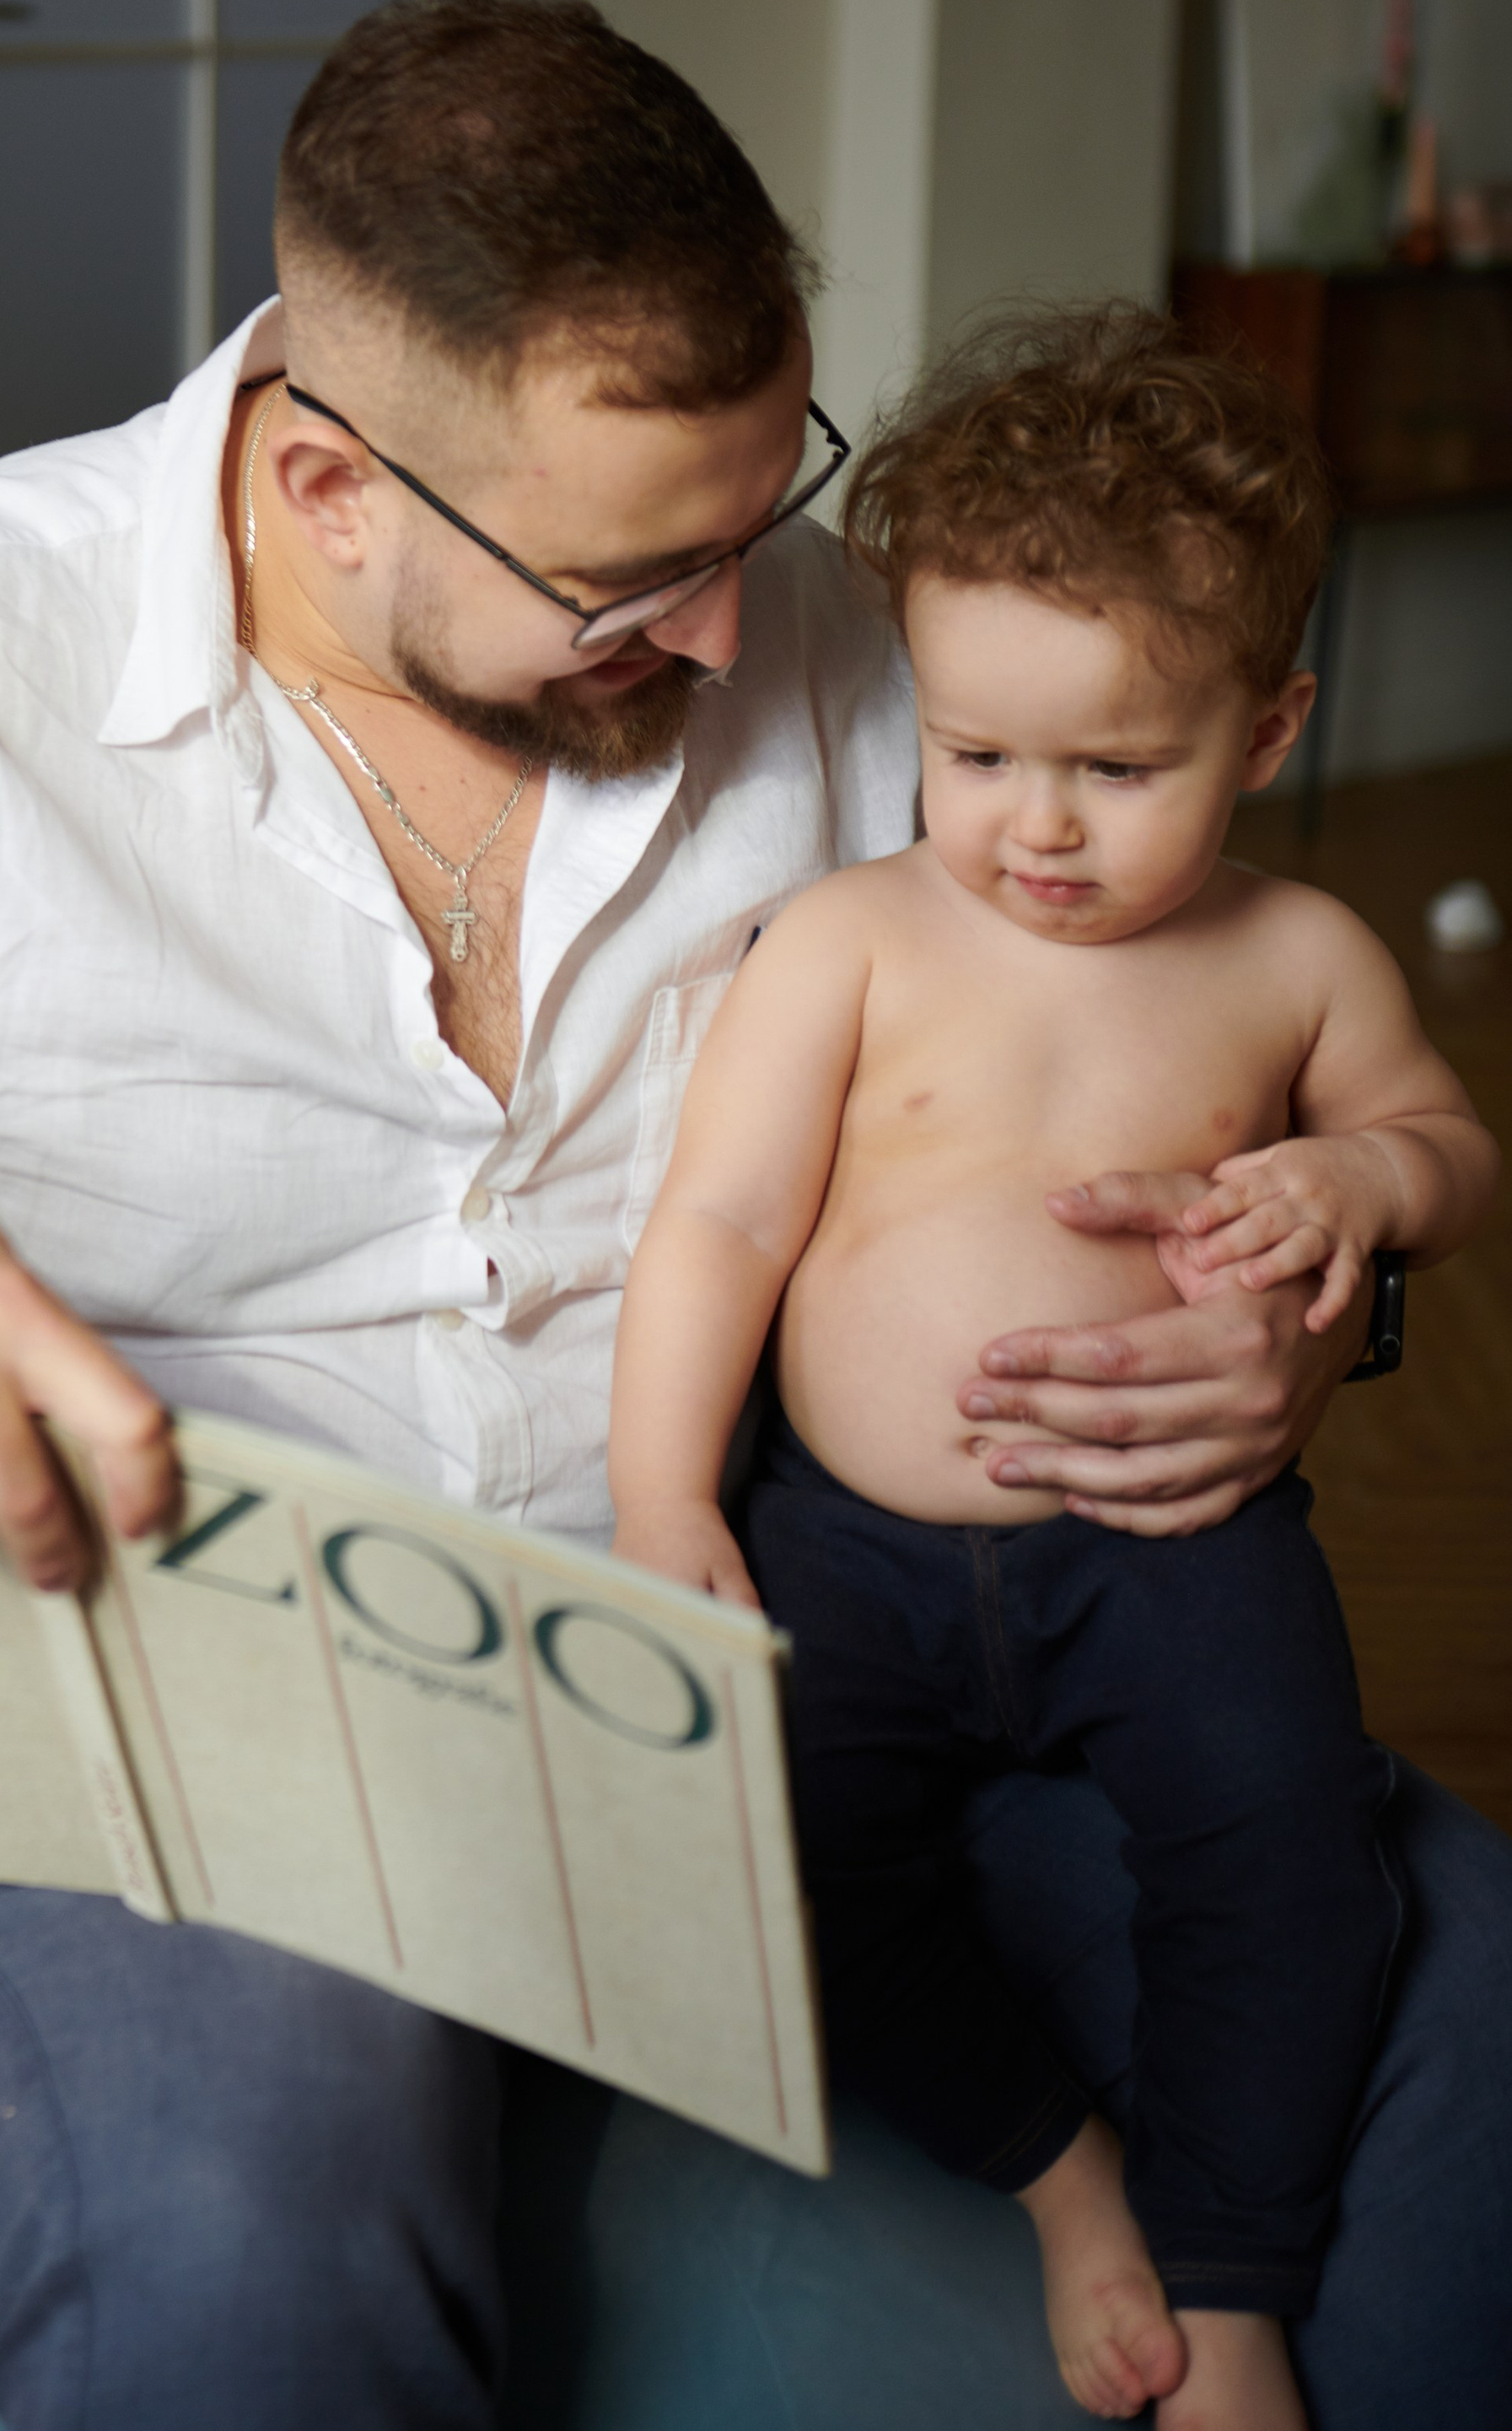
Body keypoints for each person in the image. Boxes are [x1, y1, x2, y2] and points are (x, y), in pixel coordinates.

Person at [0, 0, 1504, 2431]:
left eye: (757, 512)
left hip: (770, 1669)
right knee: (245, 2235)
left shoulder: (851, 647)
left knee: (1458, 2042)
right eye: (627, 577)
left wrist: (1307, 1322)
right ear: (328, 482)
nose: (729, 632)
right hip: (110, 1717)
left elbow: (1188, 1056)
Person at [609, 306, 1499, 2430]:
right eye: (975, 753)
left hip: (1172, 1545)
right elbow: (718, 1225)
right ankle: (1053, 2172)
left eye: (1115, 770)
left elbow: (1453, 1152)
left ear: (1264, 731)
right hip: (849, 1557)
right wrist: (659, 1497)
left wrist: (1359, 1179)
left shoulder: (1296, 956)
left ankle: (1227, 2272)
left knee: (1291, 1868)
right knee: (779, 1873)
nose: (1036, 828)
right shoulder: (845, 940)